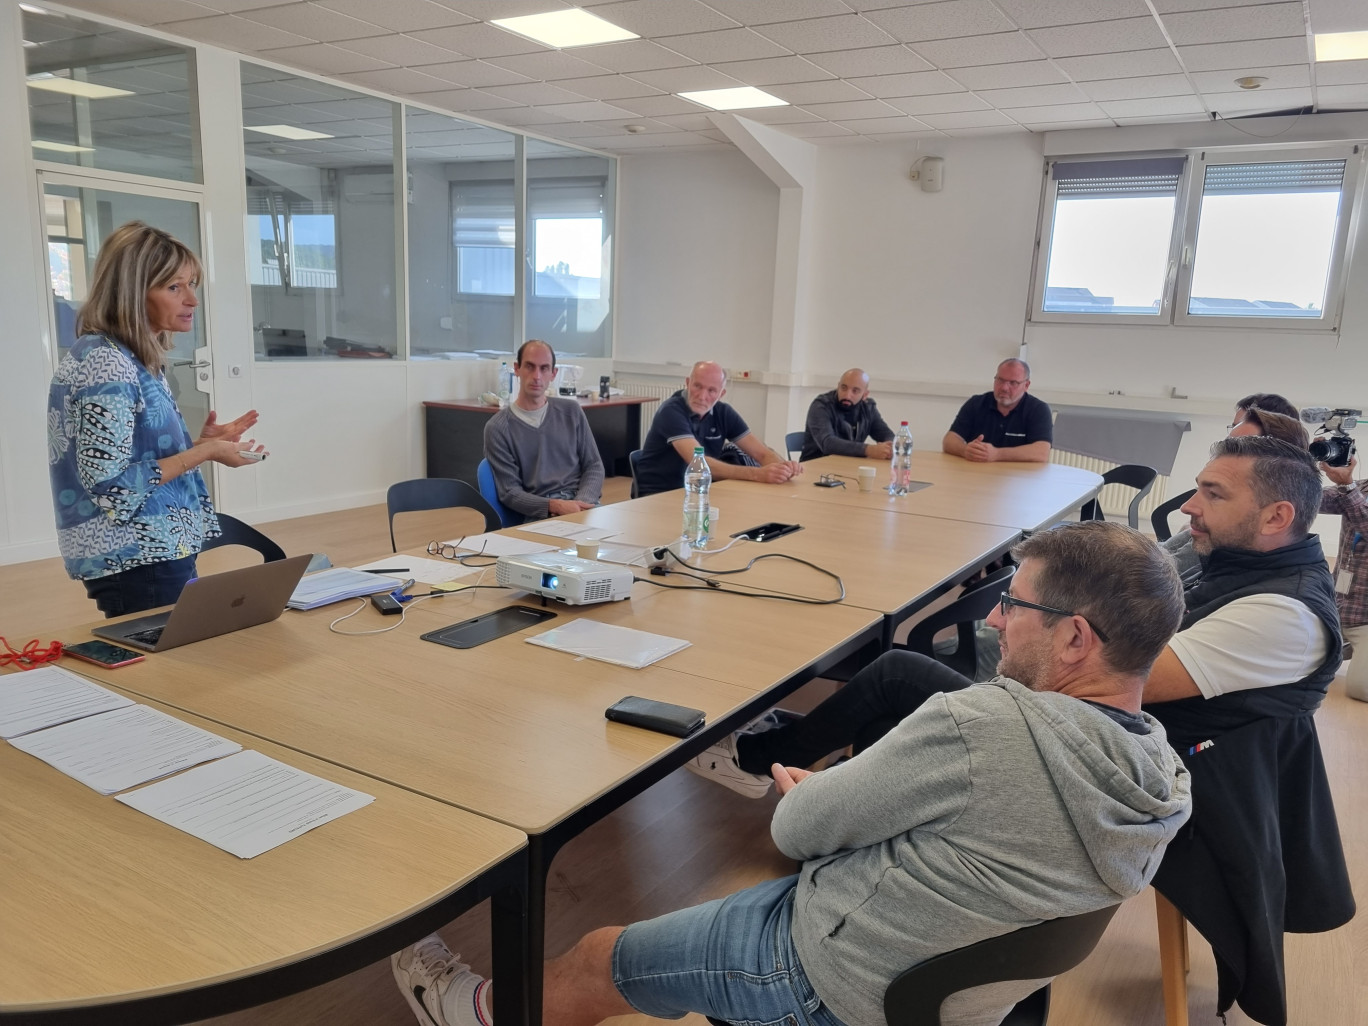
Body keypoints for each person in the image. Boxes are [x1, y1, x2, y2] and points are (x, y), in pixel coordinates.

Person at [391, 521, 1193, 1026]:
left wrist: (817, 795)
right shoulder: (1157, 772)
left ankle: (473, 1010)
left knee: (601, 954)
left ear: (1078, 640)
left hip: (833, 975)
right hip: (950, 983)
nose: (994, 618)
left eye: (1016, 606)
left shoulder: (987, 725)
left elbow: (794, 831)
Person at [693, 436, 1351, 1025]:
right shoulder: (1246, 565)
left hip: (1130, 786)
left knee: (899, 674)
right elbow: (1125, 617)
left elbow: (1119, 671)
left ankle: (770, 762)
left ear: (1277, 517)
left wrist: (1033, 637)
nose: (1189, 508)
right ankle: (846, 798)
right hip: (1105, 753)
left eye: (1212, 494)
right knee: (923, 684)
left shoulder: (1281, 613)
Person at [47, 221, 265, 618]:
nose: (192, 301)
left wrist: (199, 446)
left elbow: (130, 459)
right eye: (174, 287)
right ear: (132, 292)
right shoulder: (106, 363)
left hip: (154, 546)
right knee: (166, 673)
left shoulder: (128, 357)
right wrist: (207, 452)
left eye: (192, 284)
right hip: (136, 551)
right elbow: (111, 485)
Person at [1163, 397, 1307, 579]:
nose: (1187, 507)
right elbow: (1159, 558)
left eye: (1215, 495)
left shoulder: (1233, 533)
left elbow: (1158, 574)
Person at [633, 361, 801, 496]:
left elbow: (762, 453)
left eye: (712, 390)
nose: (702, 396)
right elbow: (700, 464)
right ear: (687, 383)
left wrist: (783, 468)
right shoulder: (671, 411)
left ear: (721, 394)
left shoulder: (723, 412)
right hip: (661, 495)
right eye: (697, 386)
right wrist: (759, 474)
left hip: (700, 493)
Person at [482, 340, 604, 520]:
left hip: (582, 506)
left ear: (553, 374)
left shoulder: (572, 412)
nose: (537, 376)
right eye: (529, 367)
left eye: (544, 368)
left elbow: (594, 465)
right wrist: (555, 506)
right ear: (517, 369)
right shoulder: (498, 428)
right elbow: (509, 492)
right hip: (542, 513)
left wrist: (580, 504)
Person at [1318, 454, 1368, 701]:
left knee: (1361, 689)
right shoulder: (1359, 489)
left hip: (1367, 621)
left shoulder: (1353, 491)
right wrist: (1296, 466)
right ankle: (1342, 648)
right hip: (1337, 611)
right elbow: (1312, 499)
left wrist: (1347, 486)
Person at [942, 358, 1051, 463]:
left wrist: (997, 454)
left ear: (1026, 385)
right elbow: (949, 440)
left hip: (1018, 478)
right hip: (977, 474)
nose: (1004, 388)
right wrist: (965, 451)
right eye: (1000, 380)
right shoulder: (976, 403)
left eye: (1013, 383)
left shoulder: (1038, 409)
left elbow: (1042, 452)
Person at [799, 368, 895, 461]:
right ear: (838, 386)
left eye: (855, 391)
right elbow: (828, 443)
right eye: (844, 388)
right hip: (816, 467)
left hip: (849, 465)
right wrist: (868, 450)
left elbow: (886, 434)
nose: (847, 395)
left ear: (865, 395)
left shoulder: (868, 408)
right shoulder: (821, 406)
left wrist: (889, 447)